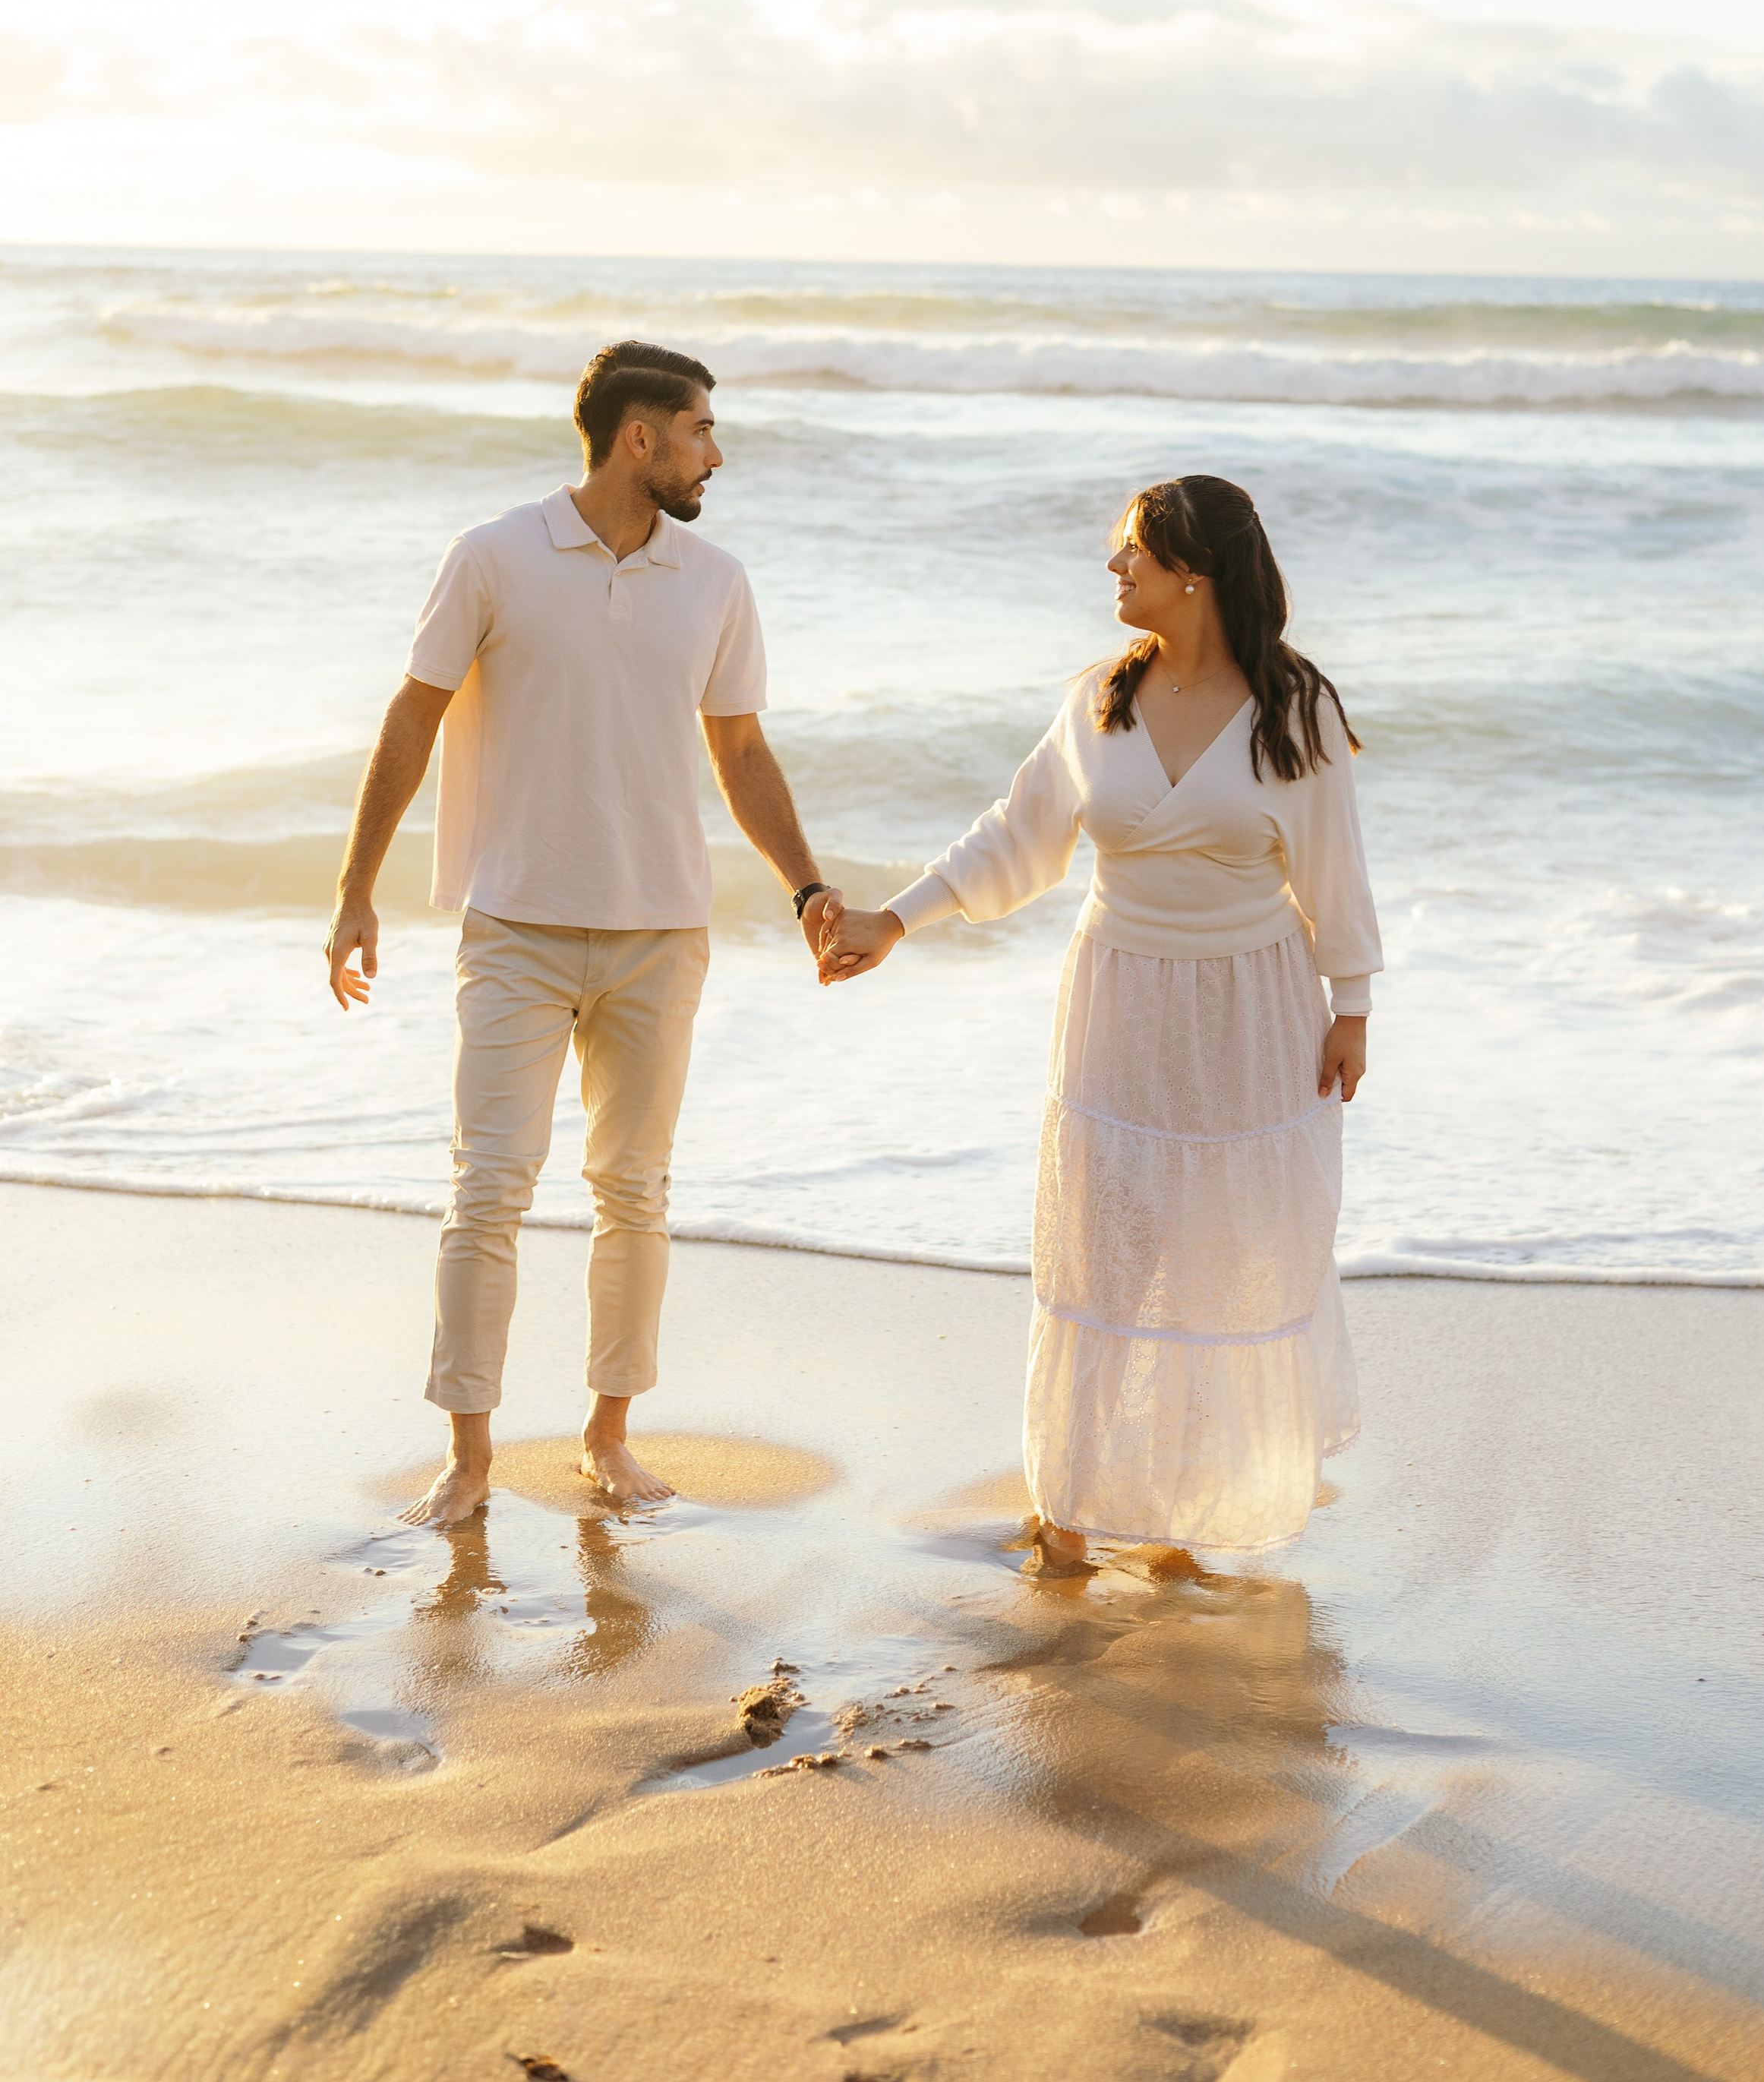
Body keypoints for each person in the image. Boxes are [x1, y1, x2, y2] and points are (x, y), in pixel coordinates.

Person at [819, 475, 1381, 1565]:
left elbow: (1336, 875)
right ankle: (1069, 1513)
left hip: (1254, 1007)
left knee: (1225, 1260)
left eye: (1133, 553)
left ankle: (1184, 1515)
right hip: (1122, 995)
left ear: (1194, 573)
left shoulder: (1294, 708)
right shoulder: (1100, 699)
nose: (1114, 569)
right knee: (1108, 1254)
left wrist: (1350, 1005)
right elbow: (1013, 839)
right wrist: (900, 917)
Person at [323, 342, 838, 1528]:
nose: (719, 450)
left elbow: (743, 752)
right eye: (701, 427)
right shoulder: (495, 556)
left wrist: (809, 890)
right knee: (489, 1190)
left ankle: (610, 1435)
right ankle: (468, 1455)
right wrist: (357, 888)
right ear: (639, 437)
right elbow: (413, 715)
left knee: (635, 1192)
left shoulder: (715, 580)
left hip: (663, 929)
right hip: (516, 926)